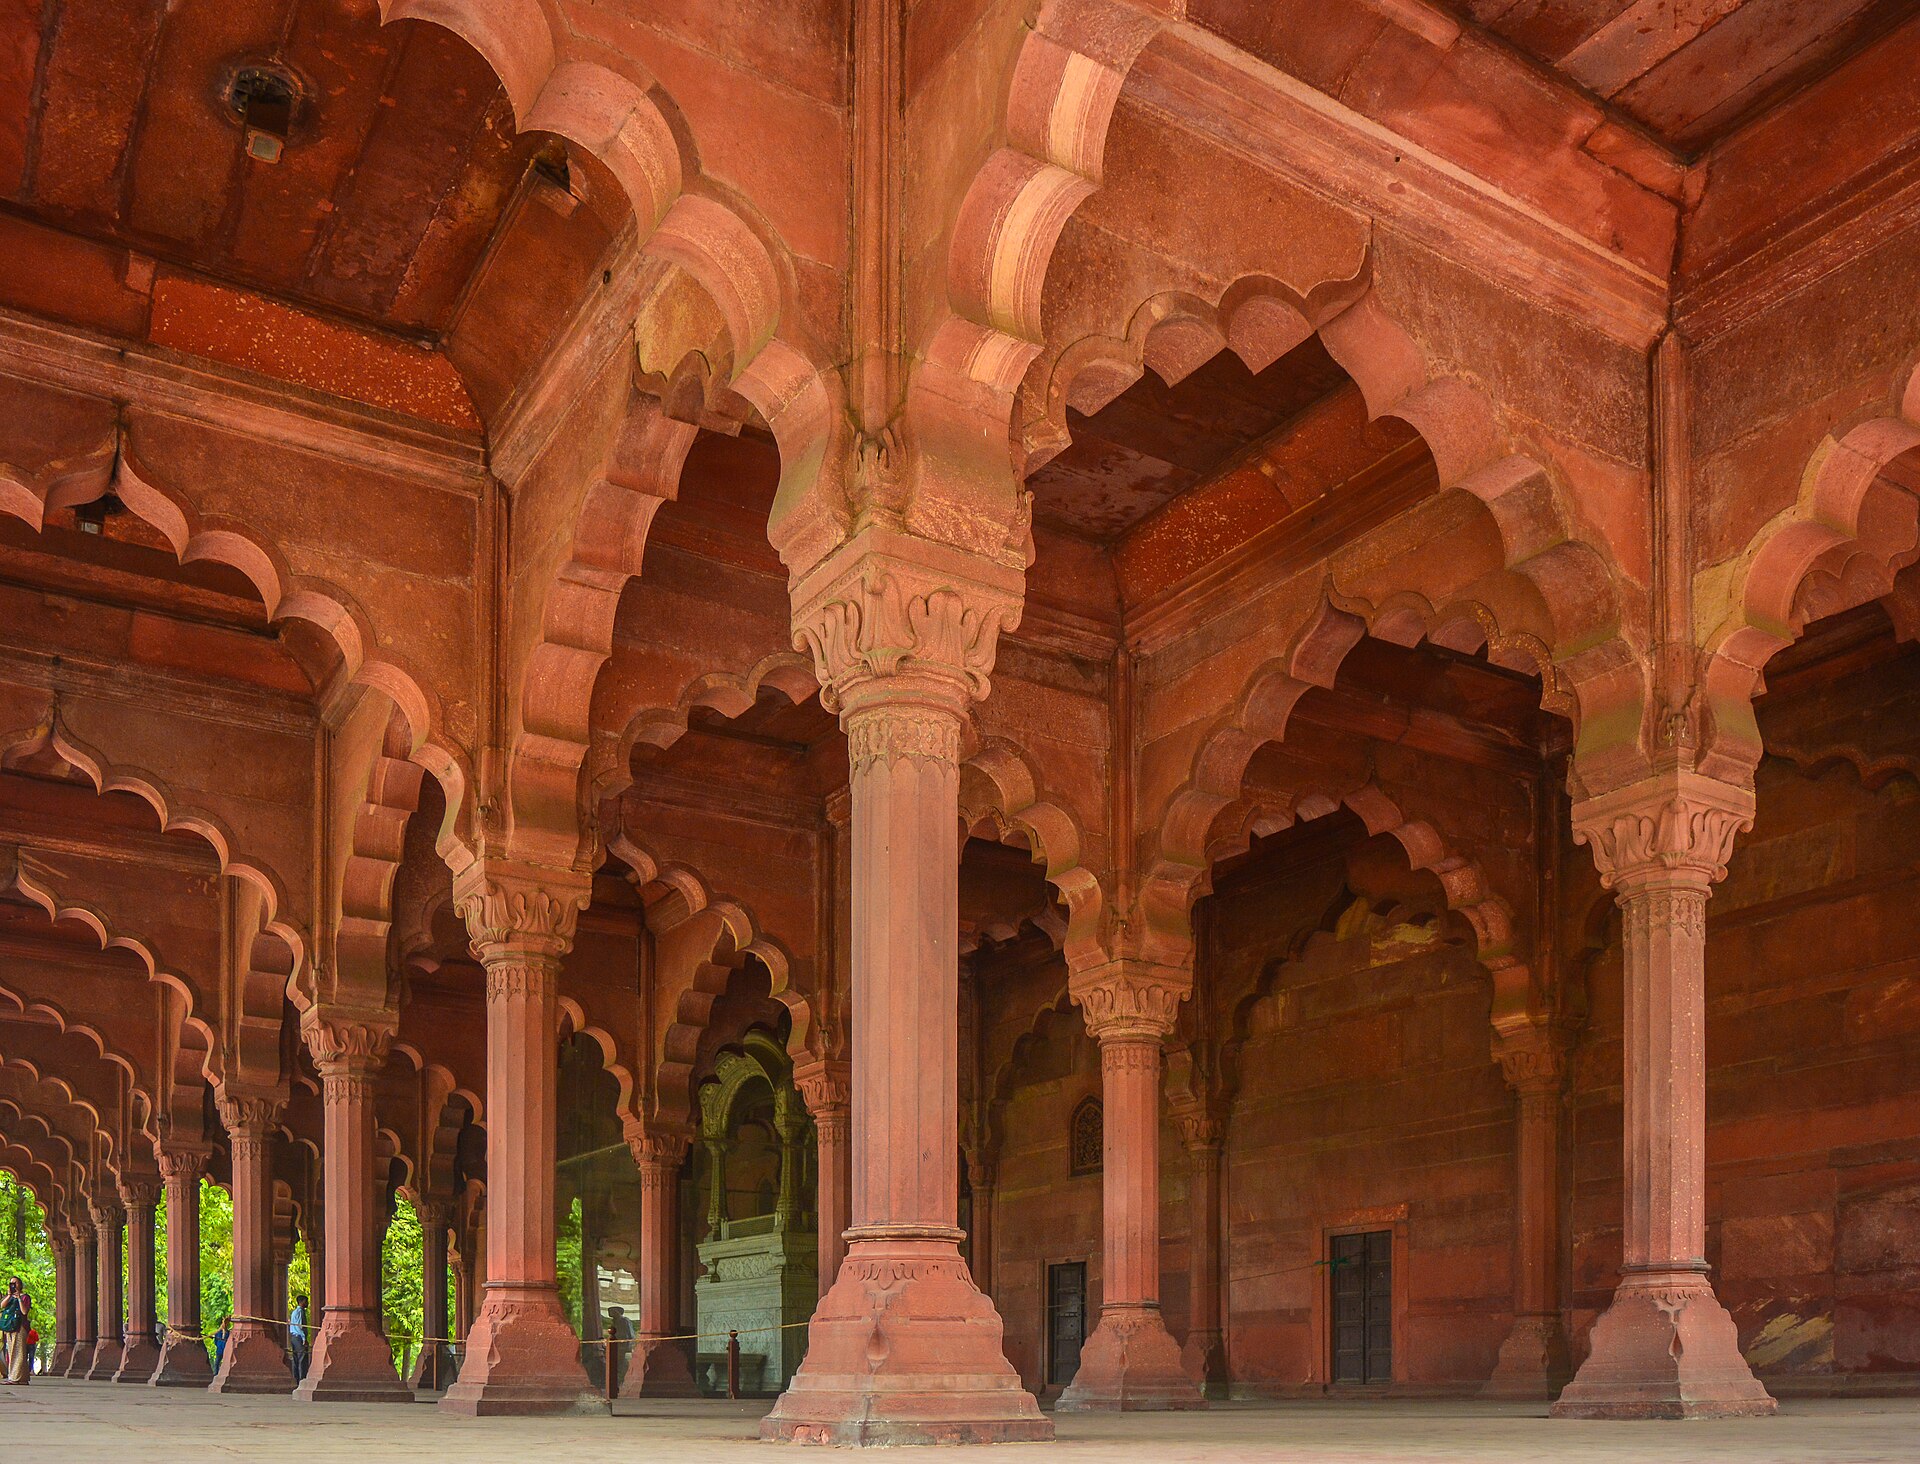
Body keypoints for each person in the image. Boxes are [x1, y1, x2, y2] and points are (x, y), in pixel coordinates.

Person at [0, 1277, 31, 1384]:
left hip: (20, 1327)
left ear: (20, 1285)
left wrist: (19, 1298)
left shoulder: (25, 1297)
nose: (13, 1285)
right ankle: (22, 1378)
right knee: (12, 1351)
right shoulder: (9, 1297)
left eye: (15, 1283)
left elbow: (24, 1311)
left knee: (19, 1352)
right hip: (9, 1326)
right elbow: (2, 1306)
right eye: (11, 1283)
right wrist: (9, 1295)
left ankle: (15, 1378)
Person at [288, 1293, 308, 1381]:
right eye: (306, 1301)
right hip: (299, 1337)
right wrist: (304, 1338)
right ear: (302, 1302)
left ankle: (296, 1379)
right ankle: (302, 1379)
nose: (308, 1303)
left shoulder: (294, 1312)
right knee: (302, 1359)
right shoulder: (300, 1311)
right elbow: (300, 1326)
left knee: (296, 1359)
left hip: (293, 1337)